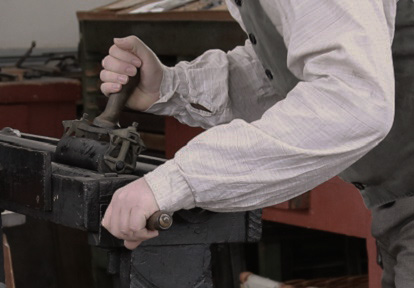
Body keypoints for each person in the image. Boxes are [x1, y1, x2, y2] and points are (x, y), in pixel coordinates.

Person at [100, 0, 414, 287]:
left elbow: (352, 101)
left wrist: (174, 182)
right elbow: (289, 70)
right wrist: (172, 86)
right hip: (395, 209)